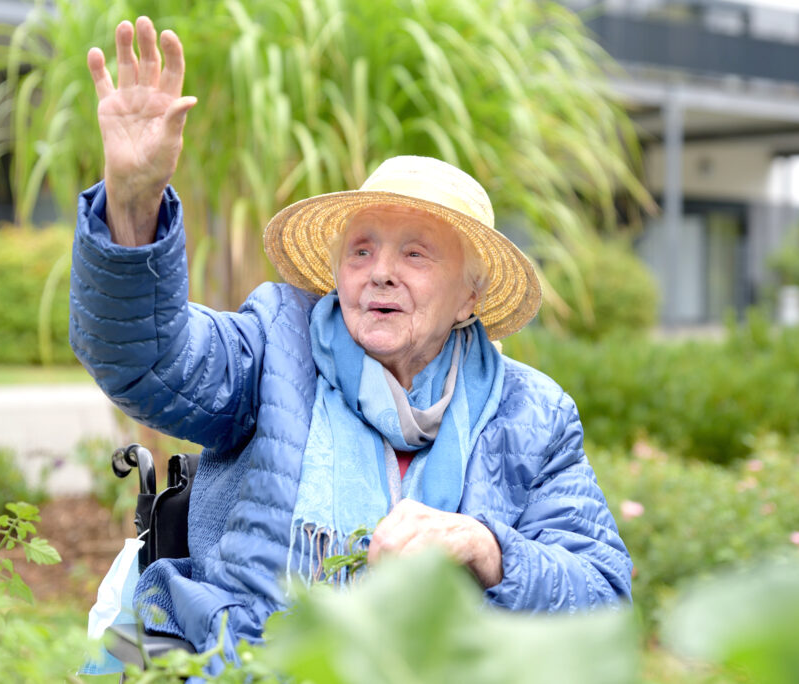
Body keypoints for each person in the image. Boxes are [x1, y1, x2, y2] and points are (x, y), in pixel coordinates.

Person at [72, 16, 631, 664]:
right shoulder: (275, 346)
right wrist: (134, 202)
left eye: (415, 253)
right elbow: (145, 358)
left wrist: (487, 547)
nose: (380, 271)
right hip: (254, 665)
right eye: (361, 249)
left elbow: (601, 594)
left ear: (470, 298)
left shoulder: (534, 415)